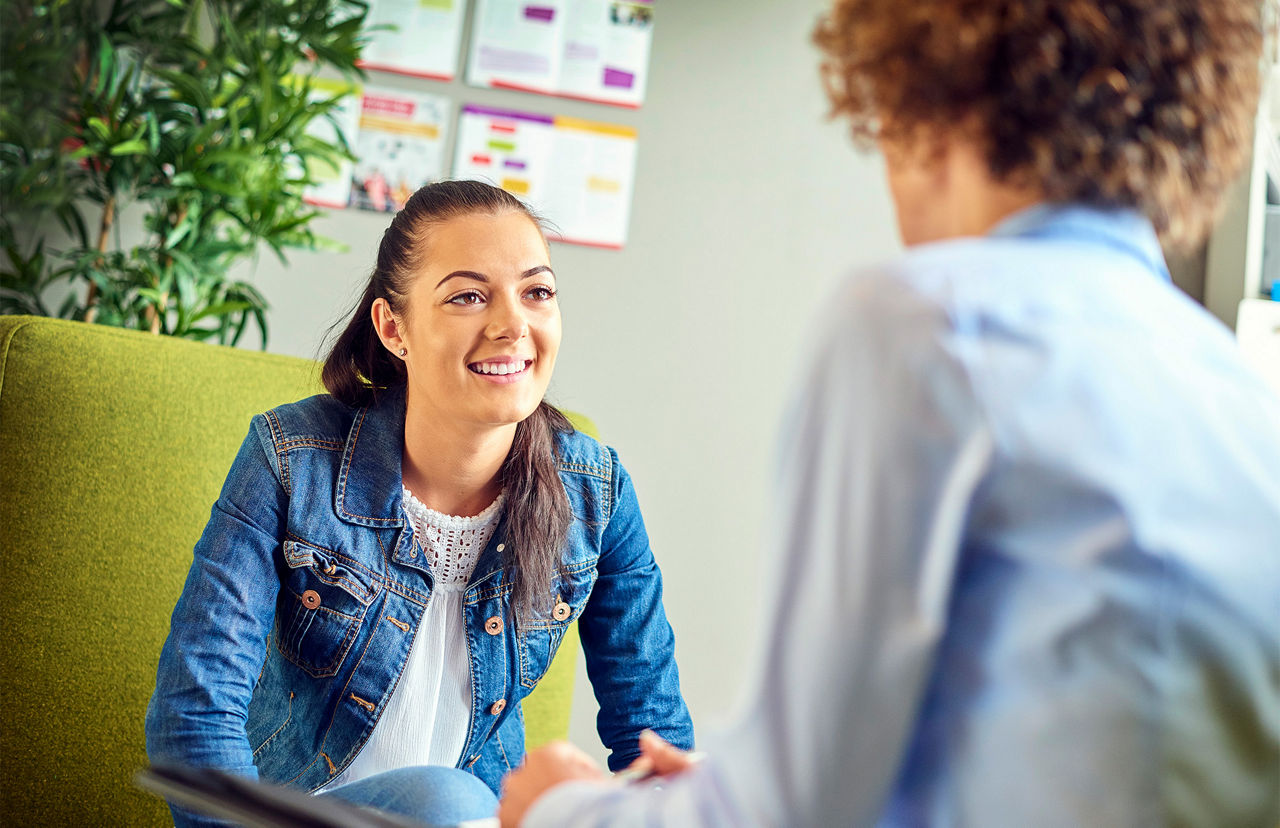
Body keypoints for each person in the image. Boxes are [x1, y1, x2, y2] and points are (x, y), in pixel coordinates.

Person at [499, 0, 1280, 825]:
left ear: (928, 99)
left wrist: (560, 808)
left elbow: (789, 811)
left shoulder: (931, 321)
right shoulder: (1239, 393)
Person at [145, 179, 694, 828]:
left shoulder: (596, 493)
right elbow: (193, 714)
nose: (512, 324)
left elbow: (654, 741)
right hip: (300, 816)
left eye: (537, 292)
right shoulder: (291, 458)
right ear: (393, 328)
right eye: (468, 296)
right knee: (445, 801)